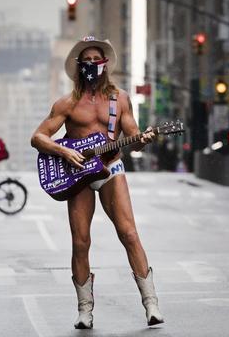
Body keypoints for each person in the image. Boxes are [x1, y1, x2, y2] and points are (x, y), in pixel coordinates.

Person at [31, 36, 164, 329]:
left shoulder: (120, 99)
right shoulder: (67, 104)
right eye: (87, 61)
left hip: (111, 169)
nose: (92, 66)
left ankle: (151, 304)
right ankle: (84, 310)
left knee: (129, 233)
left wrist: (144, 139)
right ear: (79, 67)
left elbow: (135, 138)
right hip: (79, 174)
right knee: (80, 242)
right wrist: (64, 150)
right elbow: (38, 137)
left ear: (105, 65)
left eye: (97, 61)